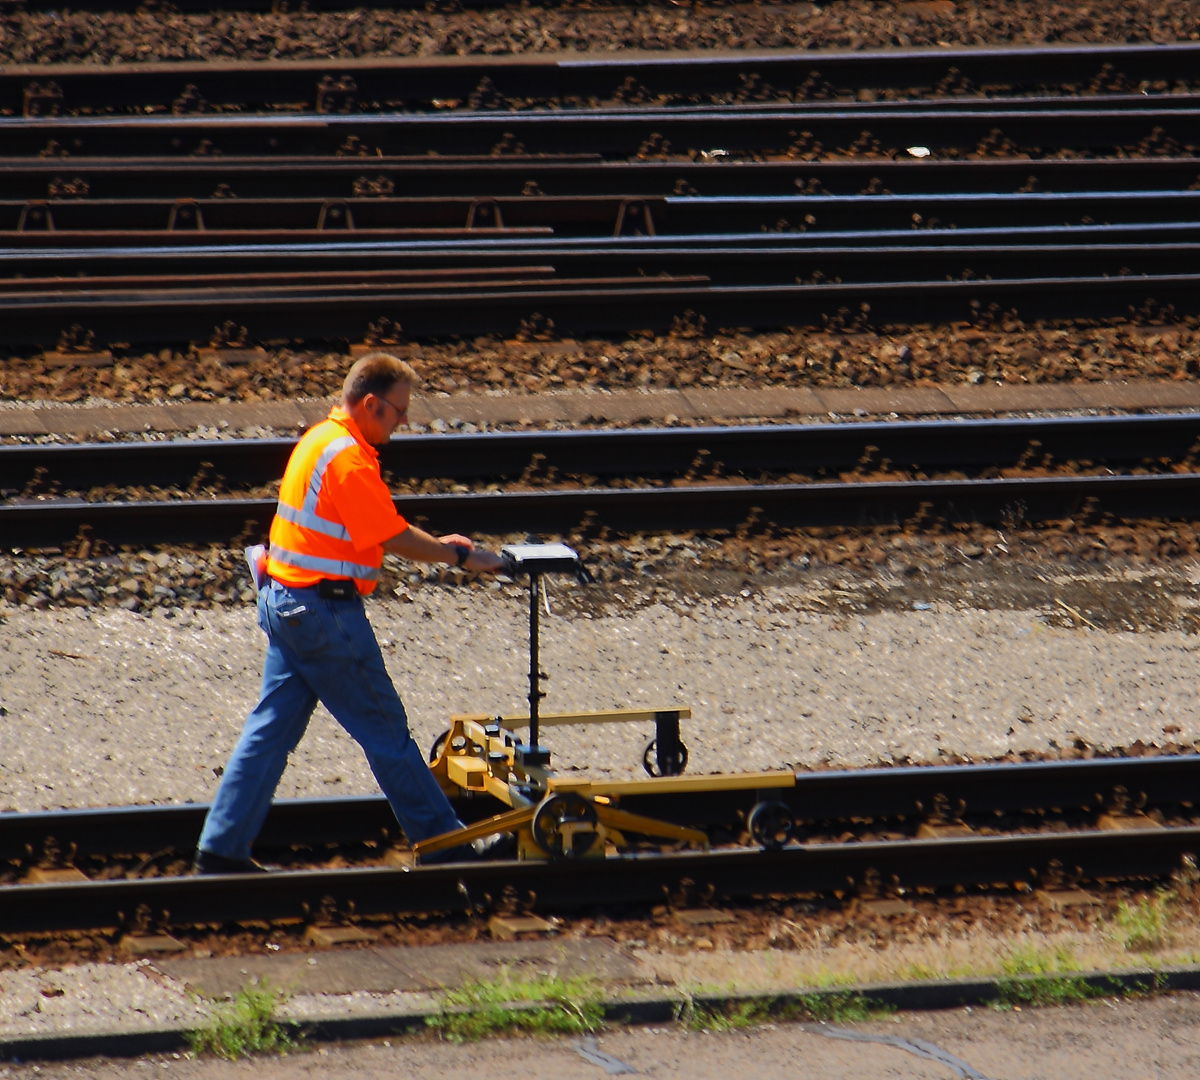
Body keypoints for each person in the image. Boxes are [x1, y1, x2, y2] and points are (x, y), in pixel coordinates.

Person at [194, 352, 504, 874]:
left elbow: (353, 529)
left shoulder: (319, 440)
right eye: (399, 412)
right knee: (385, 730)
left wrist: (440, 544)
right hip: (323, 614)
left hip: (284, 603)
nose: (403, 422)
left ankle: (221, 847)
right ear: (370, 404)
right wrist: (460, 556)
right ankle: (447, 849)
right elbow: (391, 535)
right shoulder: (350, 458)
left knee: (268, 732)